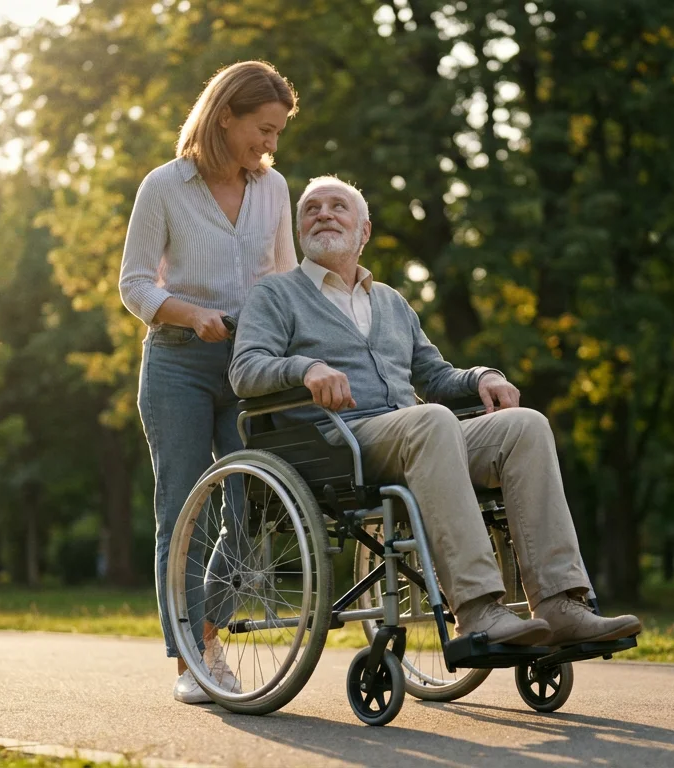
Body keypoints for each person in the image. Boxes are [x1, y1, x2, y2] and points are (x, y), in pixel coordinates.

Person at [229, 176, 642, 647]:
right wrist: (305, 369)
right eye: (312, 209)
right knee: (432, 420)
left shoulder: (391, 302)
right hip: (337, 443)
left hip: (421, 437)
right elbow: (245, 370)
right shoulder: (276, 295)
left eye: (338, 206)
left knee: (525, 426)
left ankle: (561, 604)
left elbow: (435, 376)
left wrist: (483, 376)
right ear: (300, 231)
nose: (323, 213)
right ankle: (478, 609)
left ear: (364, 231)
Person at [118, 60, 298, 704]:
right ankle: (193, 659)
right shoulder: (164, 187)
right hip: (178, 362)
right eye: (263, 129)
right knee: (182, 512)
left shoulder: (273, 191)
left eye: (277, 134)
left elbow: (285, 277)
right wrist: (193, 315)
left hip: (250, 364)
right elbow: (134, 284)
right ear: (226, 115)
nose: (270, 146)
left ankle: (207, 631)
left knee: (248, 506)